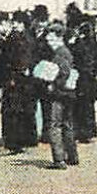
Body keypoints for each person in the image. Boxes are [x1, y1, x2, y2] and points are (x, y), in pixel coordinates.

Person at [32, 23, 79, 168]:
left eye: (50, 38)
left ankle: (59, 159)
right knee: (67, 125)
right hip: (69, 93)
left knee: (54, 125)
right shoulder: (66, 51)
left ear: (59, 37)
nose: (48, 41)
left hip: (59, 94)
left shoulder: (60, 53)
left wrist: (54, 84)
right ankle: (72, 156)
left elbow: (63, 72)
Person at [0, 16, 38, 151]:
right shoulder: (28, 37)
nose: (14, 25)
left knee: (12, 110)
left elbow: (10, 59)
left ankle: (13, 142)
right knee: (25, 110)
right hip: (25, 80)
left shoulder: (13, 39)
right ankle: (28, 139)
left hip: (14, 79)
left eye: (16, 22)